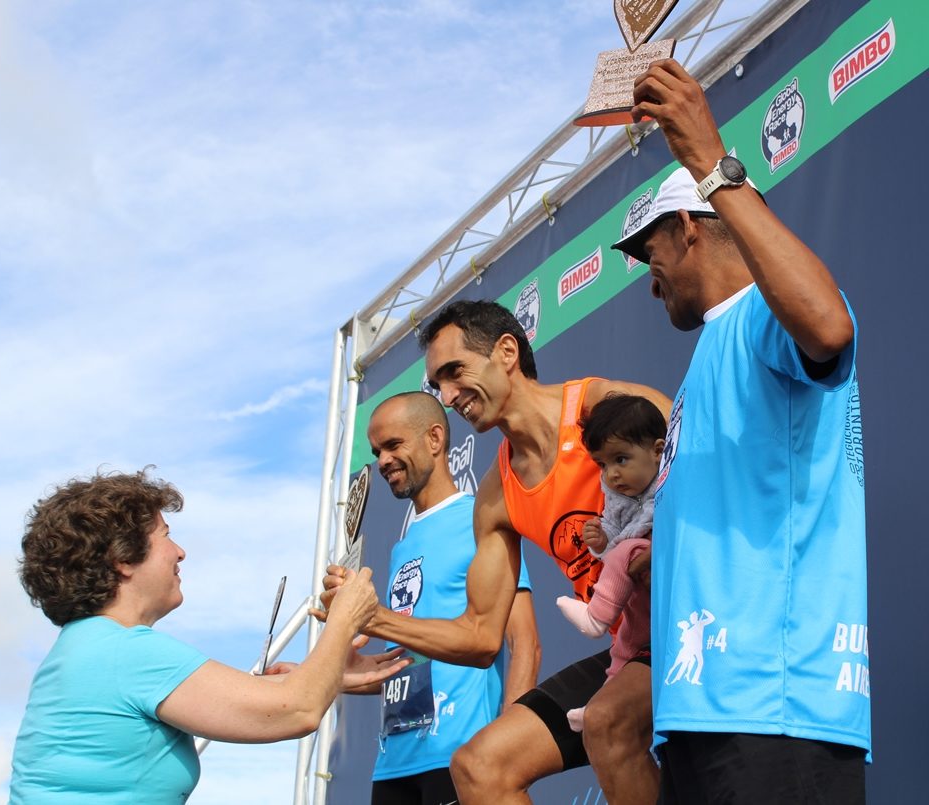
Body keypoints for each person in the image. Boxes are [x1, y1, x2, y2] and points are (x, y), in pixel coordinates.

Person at [611, 59, 870, 803]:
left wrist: (710, 162)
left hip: (775, 709)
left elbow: (828, 324)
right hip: (703, 709)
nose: (647, 272)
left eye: (648, 249)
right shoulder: (705, 357)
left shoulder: (764, 311)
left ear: (688, 228)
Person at [320, 301, 671, 805]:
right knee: (481, 766)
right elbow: (481, 637)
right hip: (630, 651)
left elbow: (713, 477)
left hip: (692, 619)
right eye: (436, 383)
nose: (446, 395)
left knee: (607, 722)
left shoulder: (600, 405)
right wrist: (369, 616)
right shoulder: (496, 496)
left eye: (454, 372)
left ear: (507, 351)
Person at [10, 469, 409, 804]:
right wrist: (345, 616)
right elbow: (295, 711)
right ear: (123, 559)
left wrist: (329, 673)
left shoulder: (88, 648)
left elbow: (271, 700)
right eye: (165, 535)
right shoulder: (125, 653)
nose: (179, 552)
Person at [355, 391, 540, 805]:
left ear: (435, 439)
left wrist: (507, 750)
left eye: (393, 445)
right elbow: (411, 662)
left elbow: (524, 641)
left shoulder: (482, 521)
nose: (382, 460)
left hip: (458, 757)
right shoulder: (400, 547)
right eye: (376, 451)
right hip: (393, 763)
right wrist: (331, 673)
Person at [556, 394, 666, 731]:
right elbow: (613, 530)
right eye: (603, 464)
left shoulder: (673, 481)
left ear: (658, 451)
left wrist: (620, 548)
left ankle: (595, 617)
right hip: (641, 599)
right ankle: (600, 699)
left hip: (670, 580)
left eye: (621, 459)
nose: (612, 474)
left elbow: (656, 531)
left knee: (625, 550)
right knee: (624, 646)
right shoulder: (616, 492)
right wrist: (601, 541)